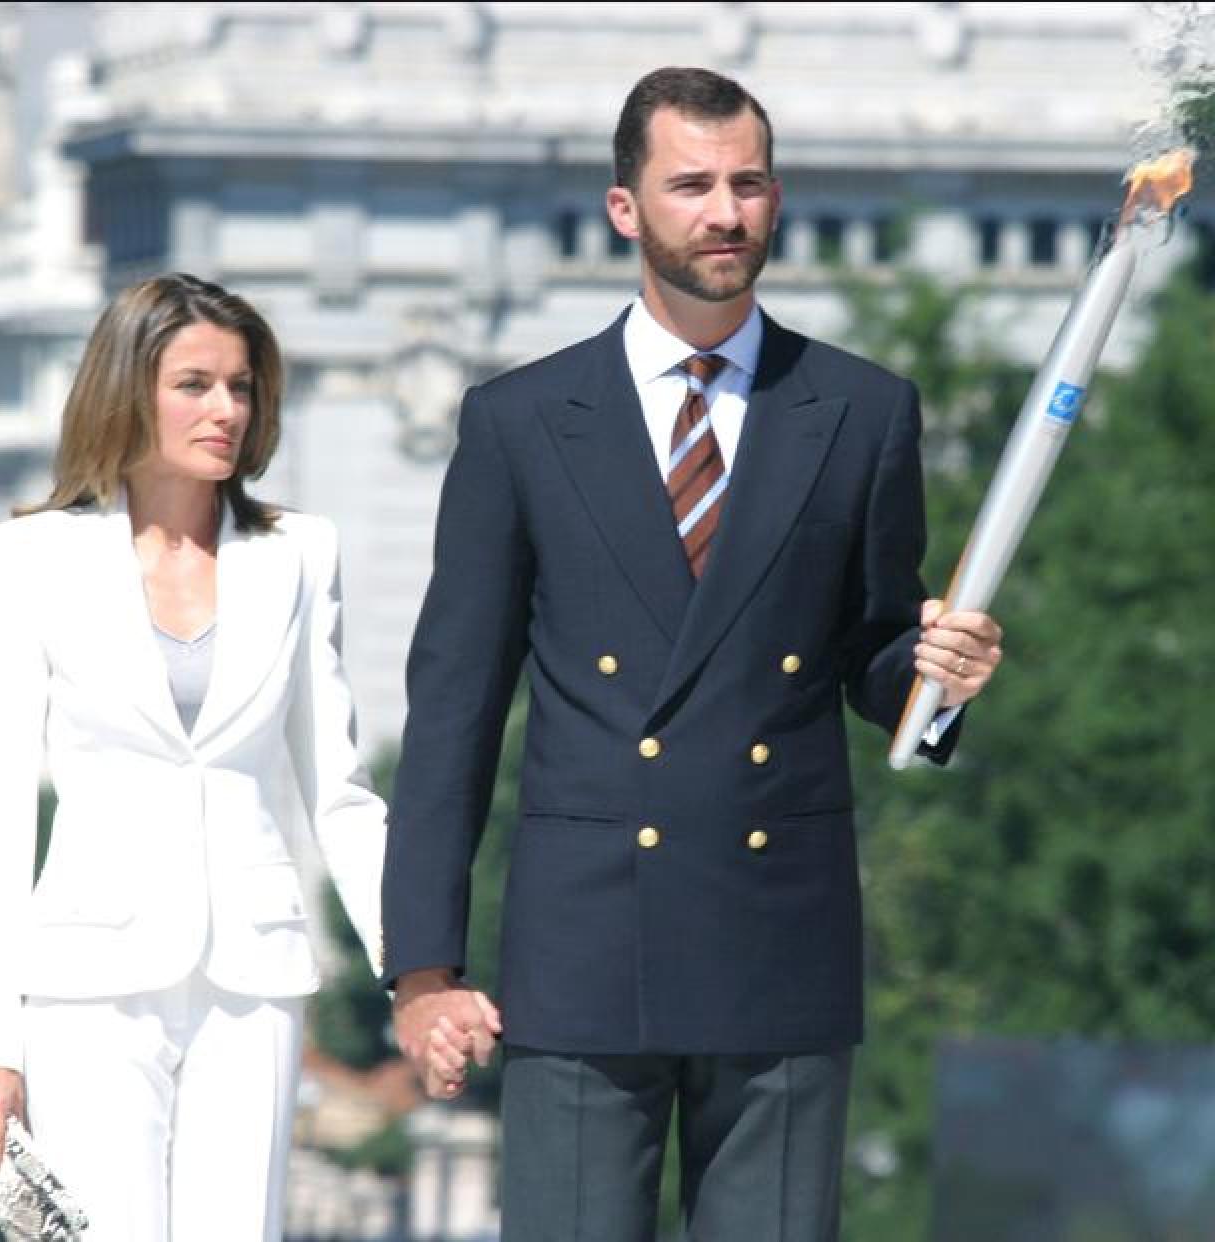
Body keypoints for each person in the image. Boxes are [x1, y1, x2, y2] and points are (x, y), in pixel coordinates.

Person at [383, 66, 1003, 1242]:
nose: (726, 211)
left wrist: (939, 678)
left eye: (749, 183)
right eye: (693, 185)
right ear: (627, 209)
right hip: (580, 946)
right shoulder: (520, 421)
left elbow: (873, 655)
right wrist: (424, 966)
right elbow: (455, 709)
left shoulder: (863, 410)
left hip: (779, 939)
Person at [0, 273, 387, 1241]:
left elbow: (343, 795)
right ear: (128, 389)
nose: (226, 410)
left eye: (241, 387)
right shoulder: (28, 562)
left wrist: (418, 968)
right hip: (86, 984)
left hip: (254, 978)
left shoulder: (298, 557)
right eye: (195, 384)